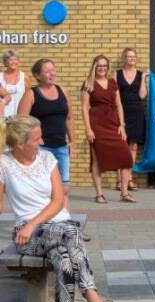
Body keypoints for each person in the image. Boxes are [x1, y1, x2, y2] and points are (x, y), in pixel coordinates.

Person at [0, 115, 123, 302]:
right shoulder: (4, 163)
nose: (42, 141)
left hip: (53, 228)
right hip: (28, 236)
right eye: (37, 138)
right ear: (19, 144)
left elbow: (58, 202)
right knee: (72, 233)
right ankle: (93, 299)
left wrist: (33, 222)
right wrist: (28, 226)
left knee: (65, 260)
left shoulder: (47, 159)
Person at [18, 58, 75, 211]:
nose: (52, 73)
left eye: (53, 70)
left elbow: (69, 118)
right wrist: (35, 139)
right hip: (40, 149)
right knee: (42, 189)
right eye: (47, 71)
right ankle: (37, 224)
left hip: (61, 148)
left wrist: (72, 140)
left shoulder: (63, 91)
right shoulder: (31, 94)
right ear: (38, 75)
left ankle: (66, 226)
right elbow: (21, 122)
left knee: (63, 189)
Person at [81, 55, 135, 204]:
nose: (102, 68)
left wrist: (122, 125)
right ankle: (99, 194)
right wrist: (88, 129)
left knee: (125, 157)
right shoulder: (88, 83)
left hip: (113, 123)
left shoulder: (112, 83)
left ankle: (124, 193)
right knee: (97, 160)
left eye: (104, 66)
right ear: (94, 67)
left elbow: (119, 105)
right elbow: (84, 108)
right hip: (96, 124)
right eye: (99, 66)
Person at [115, 47, 148, 192]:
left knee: (133, 147)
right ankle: (119, 180)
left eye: (133, 57)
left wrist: (143, 79)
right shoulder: (116, 74)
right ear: (124, 58)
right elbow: (113, 95)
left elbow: (142, 96)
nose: (131, 59)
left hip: (136, 113)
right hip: (121, 113)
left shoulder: (141, 74)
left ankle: (129, 178)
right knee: (121, 147)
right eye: (129, 57)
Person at [0, 50, 26, 118]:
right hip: (3, 115)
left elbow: (27, 97)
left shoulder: (25, 77)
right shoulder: (0, 76)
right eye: (11, 60)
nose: (14, 62)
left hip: (20, 115)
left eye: (16, 59)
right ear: (5, 61)